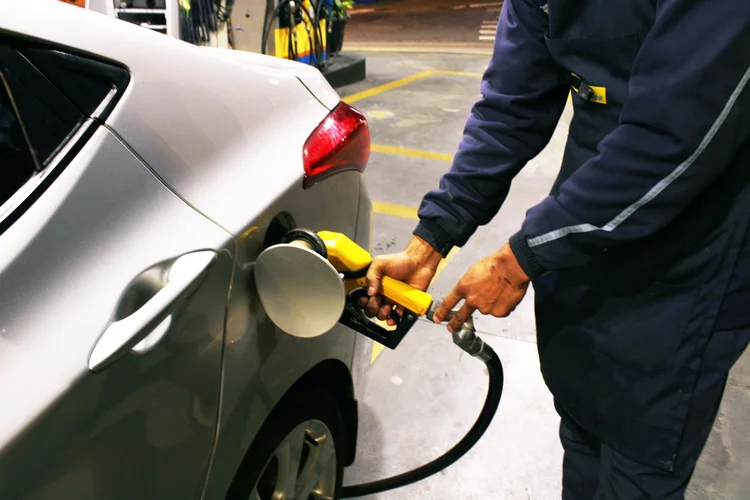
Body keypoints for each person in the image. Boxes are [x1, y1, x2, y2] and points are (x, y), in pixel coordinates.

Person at [362, 0, 750, 497]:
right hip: (584, 249)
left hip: (687, 268)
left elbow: (675, 137)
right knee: (582, 426)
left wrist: (518, 259)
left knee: (637, 463)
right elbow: (510, 106)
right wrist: (429, 242)